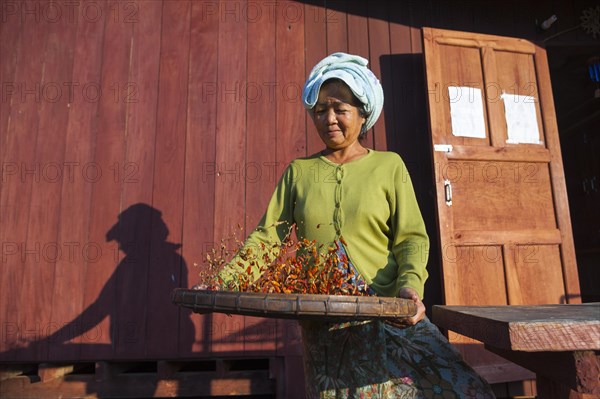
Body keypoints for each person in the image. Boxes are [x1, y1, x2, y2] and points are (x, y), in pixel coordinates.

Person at [216, 53, 495, 398]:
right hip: (324, 319)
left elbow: (411, 238)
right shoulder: (299, 173)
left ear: (363, 114)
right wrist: (222, 281)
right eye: (320, 110)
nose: (329, 119)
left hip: (386, 309)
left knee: (464, 388)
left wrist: (410, 287)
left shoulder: (388, 166)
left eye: (339, 109)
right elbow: (267, 238)